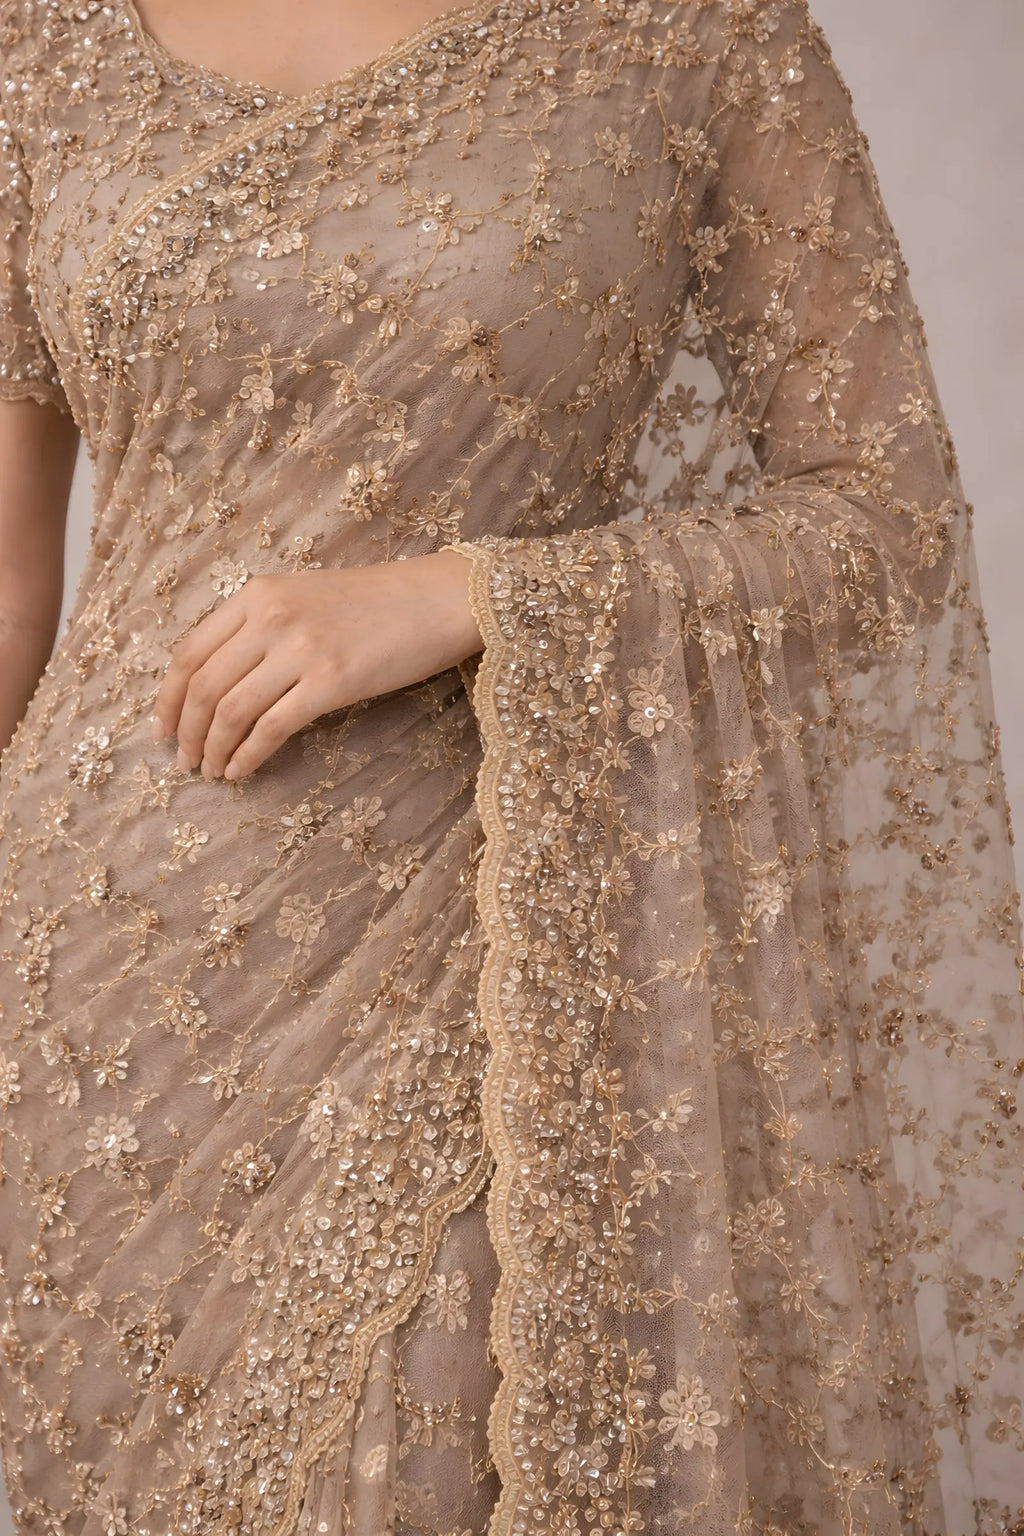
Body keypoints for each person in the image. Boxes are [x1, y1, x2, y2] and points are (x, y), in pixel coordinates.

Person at [0, 0, 1021, 1530]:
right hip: (92, 993)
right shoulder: (37, 44)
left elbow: (885, 514)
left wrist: (467, 593)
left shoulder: (691, 30)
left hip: (490, 942)